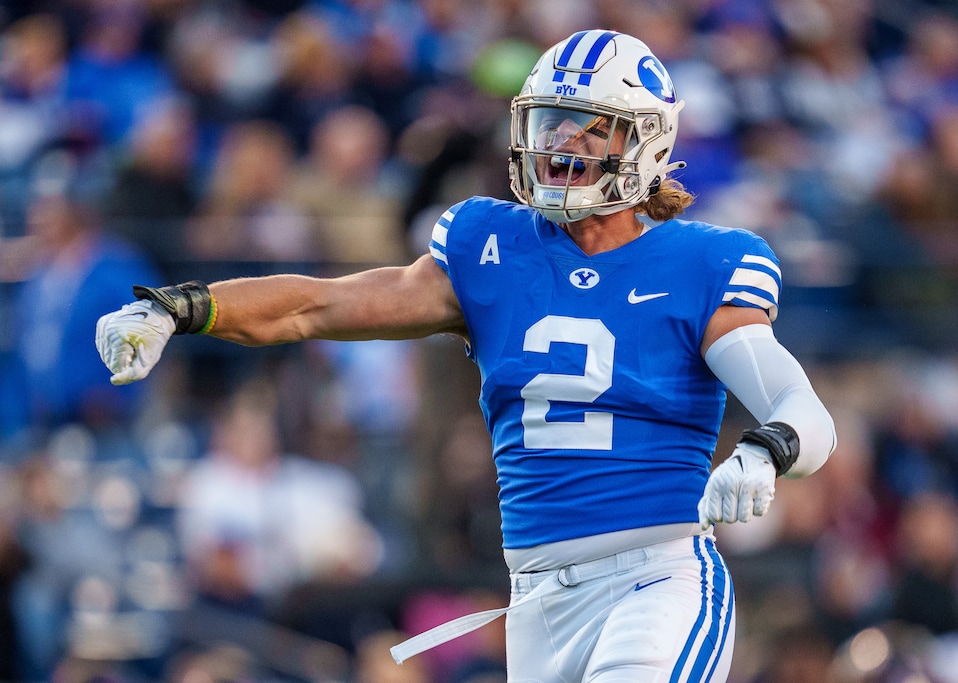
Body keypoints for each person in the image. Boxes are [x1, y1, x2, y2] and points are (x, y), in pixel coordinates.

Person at [96, 30, 836, 683]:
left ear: (644, 142)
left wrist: (765, 451)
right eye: (552, 122)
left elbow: (799, 407)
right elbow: (317, 304)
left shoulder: (704, 260)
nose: (562, 142)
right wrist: (187, 306)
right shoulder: (491, 246)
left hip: (658, 580)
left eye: (588, 127)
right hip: (538, 598)